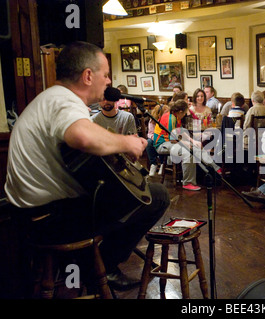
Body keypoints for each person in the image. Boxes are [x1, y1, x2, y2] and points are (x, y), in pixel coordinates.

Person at [4, 41, 170, 291]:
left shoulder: (51, 98)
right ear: (88, 75)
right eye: (105, 75)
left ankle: (89, 263)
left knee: (122, 195)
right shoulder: (64, 101)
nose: (108, 82)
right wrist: (127, 142)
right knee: (155, 195)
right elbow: (81, 136)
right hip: (49, 220)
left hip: (31, 215)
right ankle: (101, 267)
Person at [153, 99, 221, 191]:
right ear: (180, 111)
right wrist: (186, 144)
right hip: (162, 144)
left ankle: (215, 168)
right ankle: (188, 183)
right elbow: (173, 138)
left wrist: (193, 141)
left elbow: (180, 131)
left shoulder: (175, 116)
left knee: (195, 147)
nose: (185, 115)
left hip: (171, 141)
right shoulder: (170, 118)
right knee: (188, 152)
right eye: (185, 113)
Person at [147, 103, 170, 176]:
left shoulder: (167, 121)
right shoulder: (152, 121)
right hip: (154, 138)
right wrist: (155, 138)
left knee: (161, 142)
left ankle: (163, 164)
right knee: (149, 142)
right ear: (159, 114)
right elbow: (150, 133)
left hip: (164, 139)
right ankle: (153, 164)